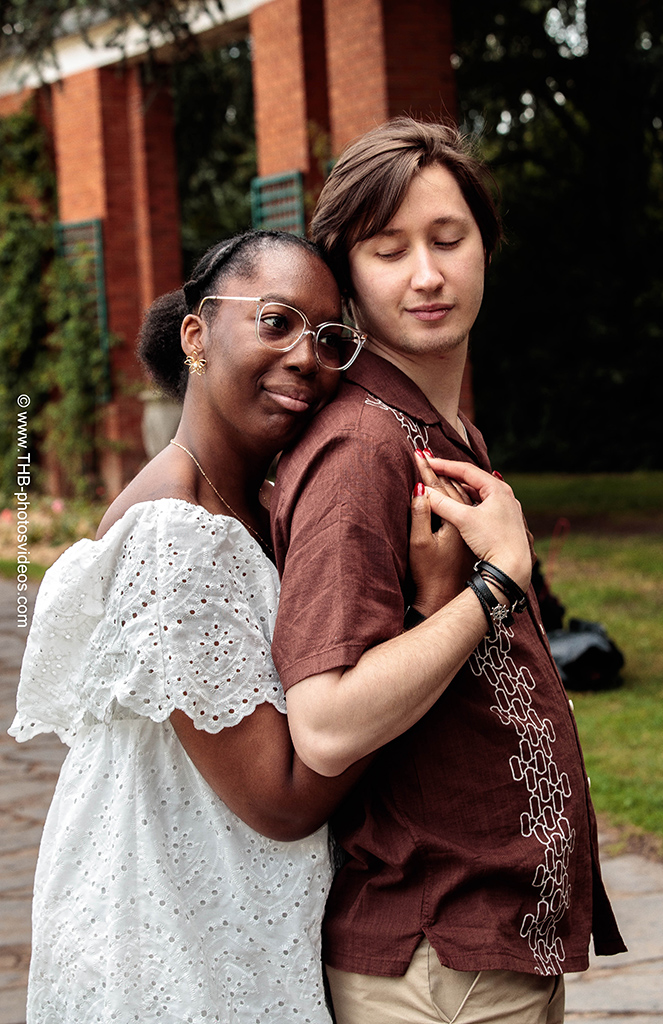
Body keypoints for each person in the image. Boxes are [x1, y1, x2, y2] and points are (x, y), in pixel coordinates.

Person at [9, 228, 533, 1024]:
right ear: (197, 334)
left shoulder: (249, 502)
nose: (306, 358)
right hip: (168, 937)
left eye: (328, 339)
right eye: (276, 322)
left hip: (233, 915)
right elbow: (280, 800)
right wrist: (435, 609)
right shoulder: (174, 534)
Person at [270, 118, 627, 1024]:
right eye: (389, 251)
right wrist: (496, 582)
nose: (426, 275)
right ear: (347, 276)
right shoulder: (360, 451)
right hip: (434, 958)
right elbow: (324, 725)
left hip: (483, 947)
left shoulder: (440, 429)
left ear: (484, 249)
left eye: (447, 239)